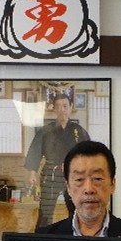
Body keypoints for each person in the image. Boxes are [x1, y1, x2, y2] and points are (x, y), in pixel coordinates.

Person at [24, 93, 90, 228]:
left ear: (70, 107)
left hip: (72, 176)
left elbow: (88, 154)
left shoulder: (78, 131)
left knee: (76, 210)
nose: (62, 110)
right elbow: (36, 150)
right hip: (50, 175)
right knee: (45, 211)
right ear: (54, 109)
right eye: (58, 106)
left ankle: (76, 236)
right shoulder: (45, 130)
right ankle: (42, 237)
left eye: (65, 106)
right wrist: (32, 173)